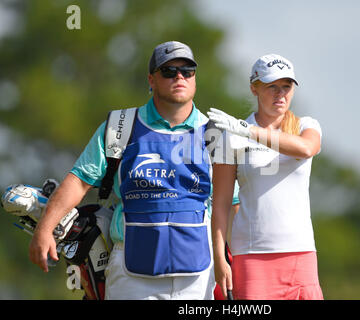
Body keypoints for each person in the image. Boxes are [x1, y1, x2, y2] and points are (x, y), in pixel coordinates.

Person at [29, 40, 228, 300]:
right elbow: (79, 181)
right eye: (169, 71)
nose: (179, 76)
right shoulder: (119, 126)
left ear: (194, 78)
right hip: (132, 273)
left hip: (198, 275)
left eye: (187, 71)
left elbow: (232, 203)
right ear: (151, 80)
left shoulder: (215, 131)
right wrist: (45, 229)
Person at [208, 53, 324, 300]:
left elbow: (306, 148)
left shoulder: (306, 125)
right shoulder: (232, 135)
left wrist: (248, 130)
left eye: (286, 87)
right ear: (254, 88)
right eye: (272, 87)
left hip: (302, 255)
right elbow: (220, 204)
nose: (280, 94)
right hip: (252, 258)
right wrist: (219, 258)